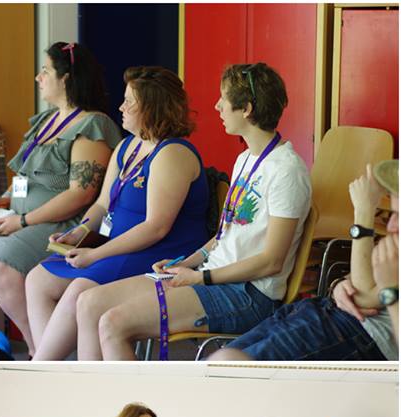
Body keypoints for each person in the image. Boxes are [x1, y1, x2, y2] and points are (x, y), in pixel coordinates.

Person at [74, 62, 312, 360]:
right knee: (88, 303)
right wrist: (184, 263)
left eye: (223, 99)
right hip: (212, 276)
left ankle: (139, 406)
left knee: (113, 323)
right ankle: (97, 401)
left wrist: (202, 278)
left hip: (247, 294)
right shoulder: (244, 160)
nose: (217, 106)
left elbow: (272, 262)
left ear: (247, 109)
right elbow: (223, 235)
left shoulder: (287, 170)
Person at [0, 42, 123, 356]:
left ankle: (42, 350)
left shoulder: (93, 124)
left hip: (62, 222)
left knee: (2, 269)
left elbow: (82, 194)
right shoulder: (45, 121)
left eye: (45, 71)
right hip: (18, 216)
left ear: (66, 79)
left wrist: (22, 220)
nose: (38, 78)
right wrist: (2, 199)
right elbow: (25, 177)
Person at [27, 66, 210, 360]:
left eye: (130, 102)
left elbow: (156, 228)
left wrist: (96, 255)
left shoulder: (172, 153)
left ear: (152, 109)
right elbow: (101, 204)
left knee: (79, 291)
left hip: (158, 253)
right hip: (121, 247)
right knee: (37, 280)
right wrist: (81, 231)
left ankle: (42, 367)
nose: (121, 107)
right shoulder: (126, 146)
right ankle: (51, 364)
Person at [210, 159, 398, 361]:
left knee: (225, 370)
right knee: (212, 367)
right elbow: (363, 280)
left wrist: (363, 211)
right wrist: (340, 284)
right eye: (391, 215)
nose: (391, 226)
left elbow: (363, 295)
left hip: (358, 332)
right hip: (323, 310)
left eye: (398, 214)